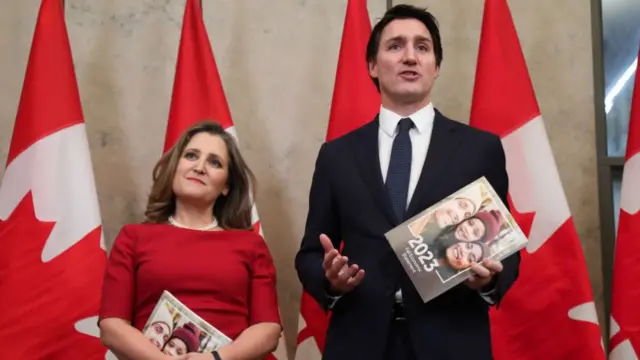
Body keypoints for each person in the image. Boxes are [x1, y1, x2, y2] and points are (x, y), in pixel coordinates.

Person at [294, 4, 520, 360]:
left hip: (452, 341)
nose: (410, 57)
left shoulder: (480, 149)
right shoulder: (337, 156)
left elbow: (505, 246)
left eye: (423, 47)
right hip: (359, 343)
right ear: (373, 65)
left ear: (436, 67)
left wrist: (489, 281)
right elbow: (309, 253)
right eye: (396, 46)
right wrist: (330, 282)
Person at [98, 120, 282, 360]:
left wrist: (217, 359)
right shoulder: (133, 238)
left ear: (226, 185)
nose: (200, 167)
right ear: (175, 167)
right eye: (191, 156)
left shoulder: (250, 245)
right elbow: (112, 326)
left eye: (214, 162)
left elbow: (268, 330)